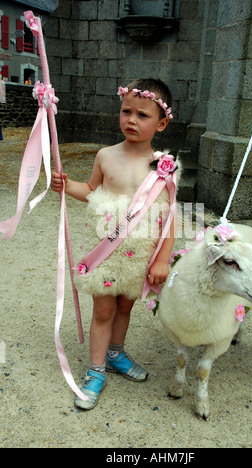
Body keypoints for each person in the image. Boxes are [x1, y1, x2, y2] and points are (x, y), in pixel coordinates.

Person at [51, 78, 177, 410]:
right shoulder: (105, 156)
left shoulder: (163, 167)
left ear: (162, 123)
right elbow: (91, 191)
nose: (132, 120)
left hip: (140, 254)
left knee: (125, 307)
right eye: (126, 111)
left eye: (143, 115)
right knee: (104, 310)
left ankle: (116, 353)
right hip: (106, 251)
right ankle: (96, 372)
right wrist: (65, 185)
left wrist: (163, 259)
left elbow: (169, 218)